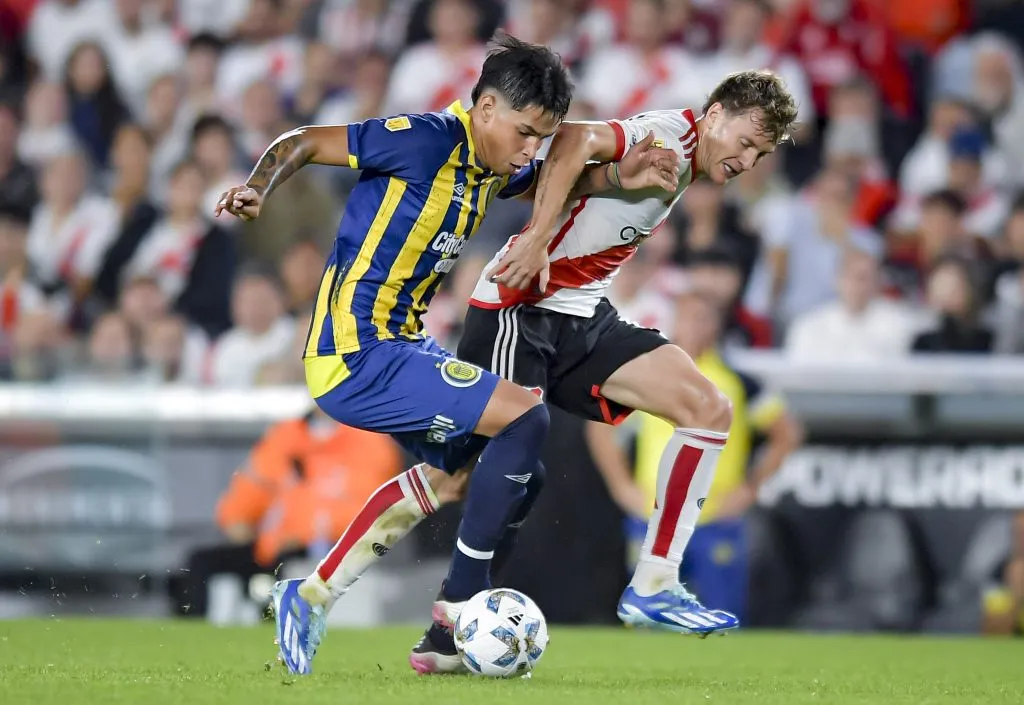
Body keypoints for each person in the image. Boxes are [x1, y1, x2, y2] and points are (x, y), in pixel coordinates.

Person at [292, 69, 799, 673]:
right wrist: (534, 239)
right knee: (463, 478)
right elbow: (574, 139)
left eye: (760, 153)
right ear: (715, 114)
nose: (748, 159)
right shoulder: (666, 137)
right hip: (519, 311)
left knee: (709, 409)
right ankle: (360, 602)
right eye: (745, 140)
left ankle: (655, 583)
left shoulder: (685, 162)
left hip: (582, 314)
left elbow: (589, 179)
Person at [215, 34, 680, 675]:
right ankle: (460, 606)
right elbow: (301, 140)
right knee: (525, 418)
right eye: (523, 131)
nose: (528, 147)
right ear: (485, 106)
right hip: (355, 348)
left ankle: (312, 592)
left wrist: (621, 177)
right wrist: (257, 186)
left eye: (540, 137)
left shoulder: (495, 163)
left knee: (503, 475)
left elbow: (549, 180)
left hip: (397, 346)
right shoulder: (424, 139)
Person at [591, 290, 804, 623]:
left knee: (722, 612)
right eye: (687, 317)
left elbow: (787, 433)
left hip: (714, 513)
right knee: (647, 616)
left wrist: (750, 488)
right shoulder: (649, 374)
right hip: (652, 510)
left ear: (717, 326)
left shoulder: (737, 380)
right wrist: (622, 487)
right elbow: (599, 427)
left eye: (703, 318)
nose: (694, 327)